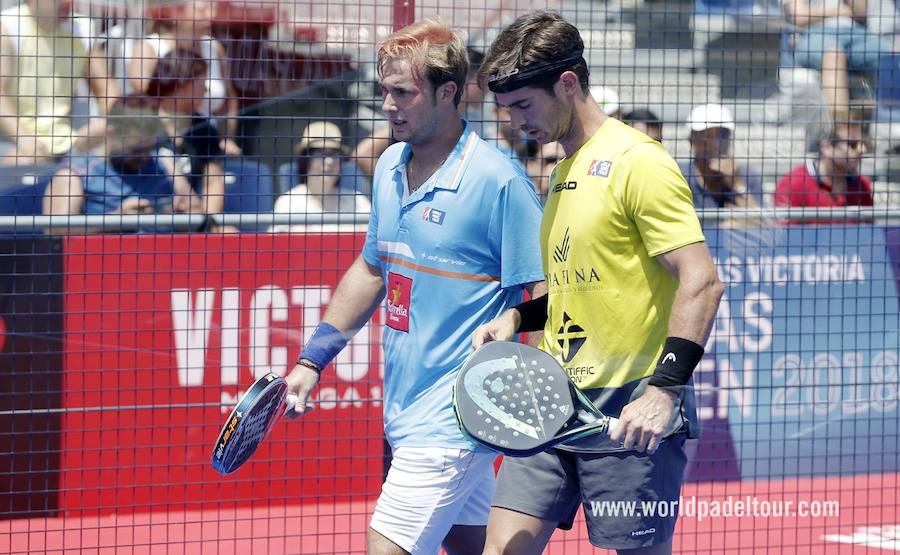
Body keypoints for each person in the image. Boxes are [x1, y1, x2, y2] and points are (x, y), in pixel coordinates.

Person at [283, 19, 545, 555]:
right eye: (384, 91)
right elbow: (372, 270)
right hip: (405, 413)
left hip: (453, 419)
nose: (386, 104)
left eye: (402, 92)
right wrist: (312, 359)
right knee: (475, 546)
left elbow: (540, 295)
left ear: (448, 93)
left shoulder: (499, 181)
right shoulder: (386, 166)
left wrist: (532, 414)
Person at [474, 11, 724, 555]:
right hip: (553, 404)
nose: (515, 121)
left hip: (629, 411)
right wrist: (517, 317)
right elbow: (576, 286)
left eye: (523, 105)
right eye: (507, 109)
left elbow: (702, 282)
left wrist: (664, 391)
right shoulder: (563, 170)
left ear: (566, 84)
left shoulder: (640, 162)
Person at [41, 98, 203, 233]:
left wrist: (179, 215)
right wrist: (116, 219)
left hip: (166, 259)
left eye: (148, 148)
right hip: (104, 263)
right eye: (136, 148)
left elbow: (198, 213)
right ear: (112, 132)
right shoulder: (75, 175)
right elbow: (55, 230)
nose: (144, 156)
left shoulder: (163, 164)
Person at [0, 0, 119, 165]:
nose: (68, 1)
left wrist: (110, 122)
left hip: (67, 142)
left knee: (120, 154)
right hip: (9, 140)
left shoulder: (81, 28)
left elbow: (107, 89)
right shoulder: (7, 25)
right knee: (22, 162)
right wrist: (24, 140)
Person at [127, 0, 242, 155]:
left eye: (213, 9)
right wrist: (173, 138)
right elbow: (144, 99)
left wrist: (227, 138)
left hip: (207, 144)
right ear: (177, 12)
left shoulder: (214, 48)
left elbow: (229, 100)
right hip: (160, 144)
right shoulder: (148, 48)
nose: (211, 15)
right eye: (202, 10)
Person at [782, 0, 890, 119]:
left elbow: (860, 12)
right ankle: (841, 128)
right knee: (834, 56)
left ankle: (890, 121)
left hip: (854, 33)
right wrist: (839, 11)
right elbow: (800, 16)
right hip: (813, 34)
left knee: (891, 55)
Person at [271, 121, 371, 233]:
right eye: (320, 154)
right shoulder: (288, 203)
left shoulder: (358, 201)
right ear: (306, 160)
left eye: (334, 154)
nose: (329, 161)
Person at [775, 117, 874, 220]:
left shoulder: (862, 185)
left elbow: (870, 232)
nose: (862, 149)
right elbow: (785, 234)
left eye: (863, 142)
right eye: (852, 144)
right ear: (826, 146)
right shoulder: (793, 184)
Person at [679, 103, 765, 209]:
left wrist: (737, 185)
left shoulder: (747, 176)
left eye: (722, 134)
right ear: (692, 140)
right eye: (706, 135)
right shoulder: (678, 176)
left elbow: (764, 222)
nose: (716, 143)